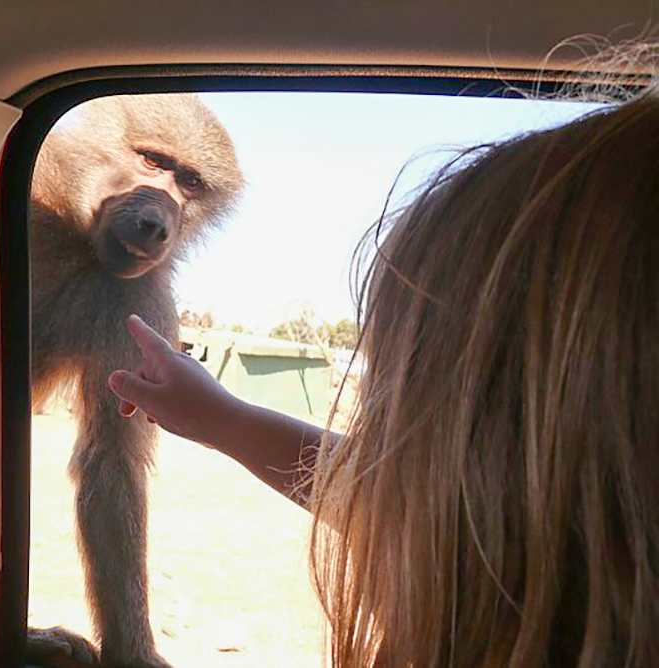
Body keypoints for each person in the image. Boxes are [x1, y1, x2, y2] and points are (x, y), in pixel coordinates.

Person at [108, 88, 658, 667]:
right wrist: (220, 417)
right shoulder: (552, 572)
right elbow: (387, 497)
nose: (380, 469)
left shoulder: (479, 607)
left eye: (405, 395)